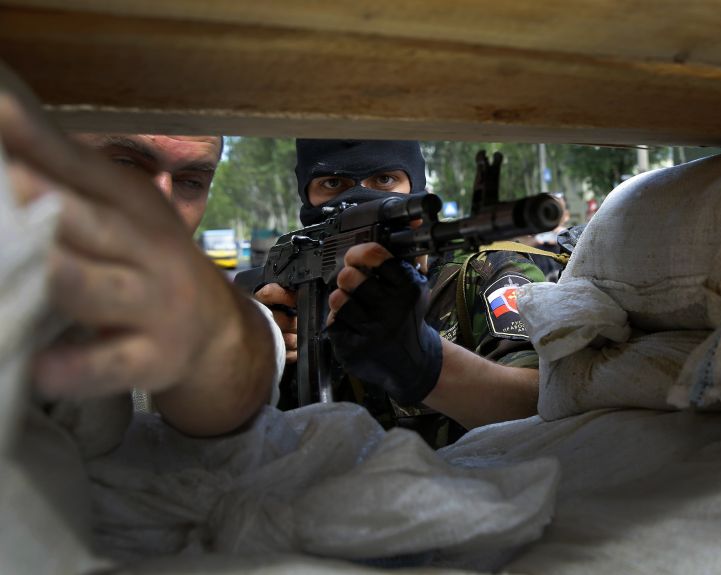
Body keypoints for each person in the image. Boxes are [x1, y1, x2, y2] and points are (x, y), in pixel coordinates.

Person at [1, 69, 284, 438]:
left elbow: (226, 422)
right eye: (125, 163)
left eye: (190, 181)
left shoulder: (223, 316)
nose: (161, 204)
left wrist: (214, 339)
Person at [256, 139, 547, 444]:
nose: (360, 198)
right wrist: (255, 348)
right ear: (306, 193)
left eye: (384, 179)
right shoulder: (291, 270)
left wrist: (427, 363)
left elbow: (548, 398)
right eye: (332, 183)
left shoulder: (485, 269)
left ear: (415, 185)